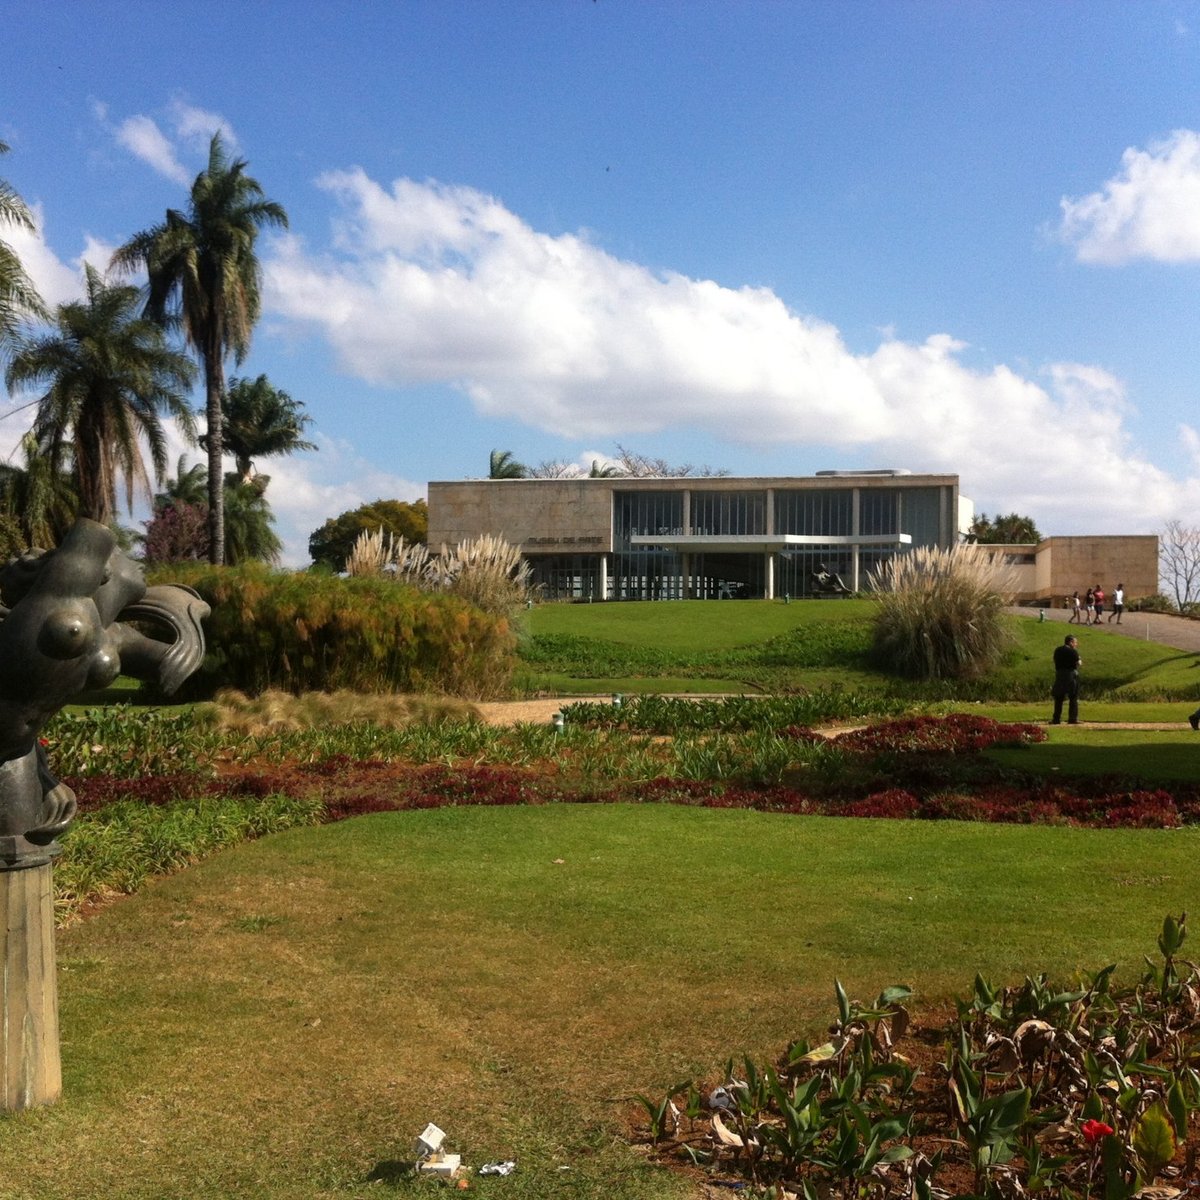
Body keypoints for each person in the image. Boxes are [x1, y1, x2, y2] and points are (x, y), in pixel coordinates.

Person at [1050, 634, 1081, 725]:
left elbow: (1055, 660)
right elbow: (1079, 663)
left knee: (1059, 697)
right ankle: (1072, 718)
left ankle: (1056, 719)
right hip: (1070, 675)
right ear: (1071, 642)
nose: (1076, 644)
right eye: (1075, 642)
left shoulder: (1058, 650)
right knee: (1073, 696)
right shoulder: (1073, 652)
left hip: (1059, 674)